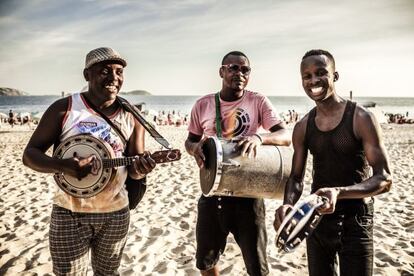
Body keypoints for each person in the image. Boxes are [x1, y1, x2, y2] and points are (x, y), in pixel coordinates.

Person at [22, 47, 156, 275]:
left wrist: (142, 169)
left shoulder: (132, 115)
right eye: (105, 71)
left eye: (119, 72)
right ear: (87, 75)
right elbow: (30, 155)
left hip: (116, 213)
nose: (114, 78)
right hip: (69, 212)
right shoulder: (64, 109)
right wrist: (64, 166)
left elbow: (134, 170)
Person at [274, 49, 392, 276]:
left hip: (357, 218)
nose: (313, 81)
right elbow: (296, 178)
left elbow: (384, 178)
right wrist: (288, 204)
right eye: (307, 76)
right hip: (316, 219)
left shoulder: (361, 118)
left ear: (335, 76)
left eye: (321, 73)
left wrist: (339, 192)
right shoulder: (303, 126)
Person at [185, 51, 291, 276]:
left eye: (245, 70)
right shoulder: (203, 104)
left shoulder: (257, 101)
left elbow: (284, 135)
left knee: (257, 266)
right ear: (221, 71)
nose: (240, 73)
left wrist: (258, 138)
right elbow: (191, 140)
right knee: (206, 260)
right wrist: (194, 149)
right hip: (212, 192)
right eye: (233, 68)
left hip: (249, 193)